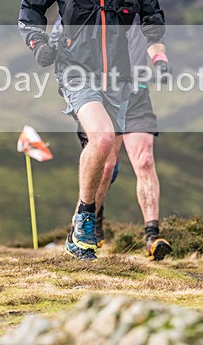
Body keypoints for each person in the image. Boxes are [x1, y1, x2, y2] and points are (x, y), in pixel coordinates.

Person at [19, 0, 166, 261]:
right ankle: (84, 222)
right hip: (75, 68)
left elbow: (152, 13)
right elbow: (30, 8)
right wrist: (38, 43)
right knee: (101, 139)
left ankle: (82, 225)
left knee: (107, 160)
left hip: (117, 75)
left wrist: (156, 48)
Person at [78, 20, 173, 261]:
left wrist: (160, 61)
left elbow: (153, 40)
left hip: (137, 95)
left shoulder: (143, 8)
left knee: (145, 160)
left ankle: (152, 237)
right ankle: (90, 223)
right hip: (105, 96)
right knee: (106, 167)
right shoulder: (99, 6)